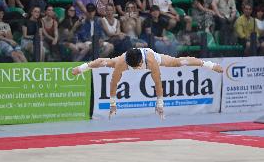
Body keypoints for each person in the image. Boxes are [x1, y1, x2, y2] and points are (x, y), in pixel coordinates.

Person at [71, 48, 223, 119]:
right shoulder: (122, 64)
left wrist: (160, 104)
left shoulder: (151, 61)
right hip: (127, 57)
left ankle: (207, 64)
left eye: (138, 67)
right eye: (135, 68)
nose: (137, 70)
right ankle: (82, 67)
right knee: (105, 62)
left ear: (141, 62)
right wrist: (112, 103)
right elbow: (113, 83)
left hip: (151, 54)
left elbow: (157, 83)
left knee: (178, 62)